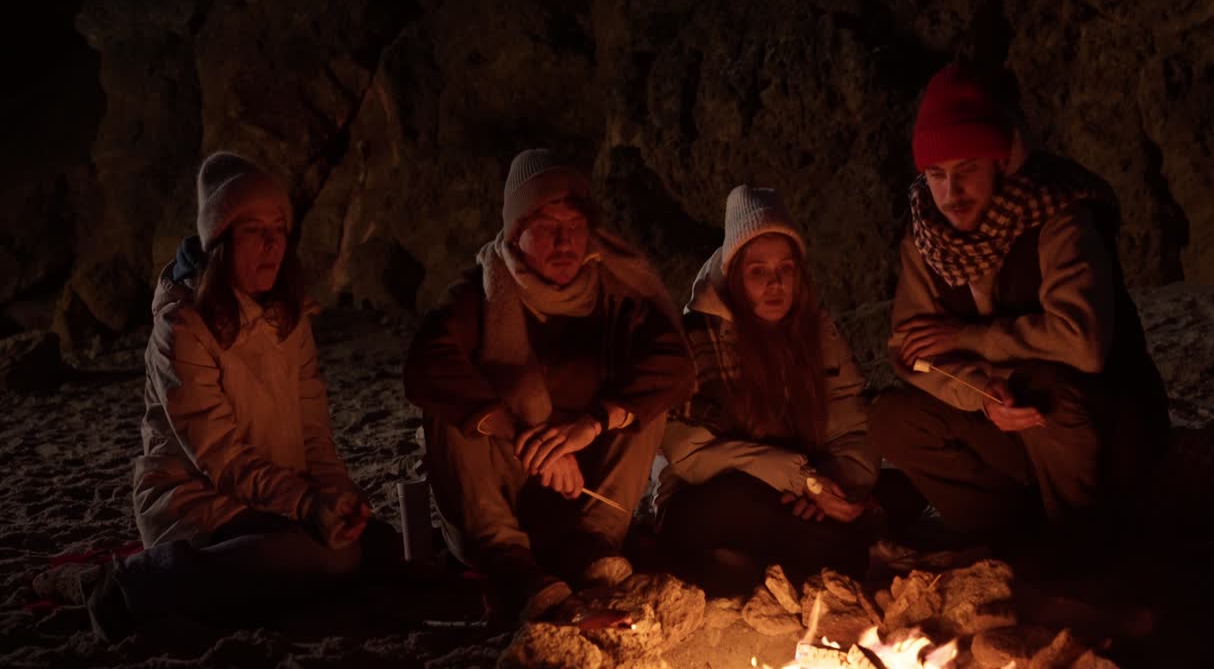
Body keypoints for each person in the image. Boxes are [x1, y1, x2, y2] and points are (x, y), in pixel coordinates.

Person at [79, 152, 378, 641]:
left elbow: (313, 430)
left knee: (366, 545)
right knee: (324, 559)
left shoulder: (290, 318)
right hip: (198, 505)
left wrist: (334, 495)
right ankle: (134, 585)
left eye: (278, 228)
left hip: (278, 499)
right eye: (252, 229)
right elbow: (220, 455)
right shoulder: (182, 329)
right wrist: (305, 506)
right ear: (219, 240)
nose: (271, 243)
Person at [870, 63, 1169, 545]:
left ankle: (1084, 543)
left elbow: (1083, 344)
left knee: (1042, 388)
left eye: (967, 170)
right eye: (937, 175)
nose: (951, 194)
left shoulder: (1058, 216)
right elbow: (914, 351)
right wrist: (983, 394)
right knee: (892, 417)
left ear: (1002, 162)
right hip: (1001, 417)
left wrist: (969, 338)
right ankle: (1008, 545)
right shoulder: (926, 234)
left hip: (1104, 429)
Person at [404, 148, 694, 622]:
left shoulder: (613, 296)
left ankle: (591, 544)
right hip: (501, 491)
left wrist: (592, 425)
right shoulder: (480, 294)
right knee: (451, 405)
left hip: (584, 495)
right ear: (516, 233)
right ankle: (508, 563)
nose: (565, 242)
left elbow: (675, 365)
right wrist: (518, 431)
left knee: (643, 403)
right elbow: (425, 364)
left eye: (575, 228)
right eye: (547, 228)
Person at [657, 186, 880, 595]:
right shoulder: (697, 340)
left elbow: (851, 421)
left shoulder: (818, 333)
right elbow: (691, 457)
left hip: (803, 487)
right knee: (739, 500)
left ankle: (752, 569)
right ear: (734, 276)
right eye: (758, 271)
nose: (774, 283)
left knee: (892, 491)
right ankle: (796, 561)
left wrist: (832, 482)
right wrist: (803, 482)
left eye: (786, 269)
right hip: (714, 495)